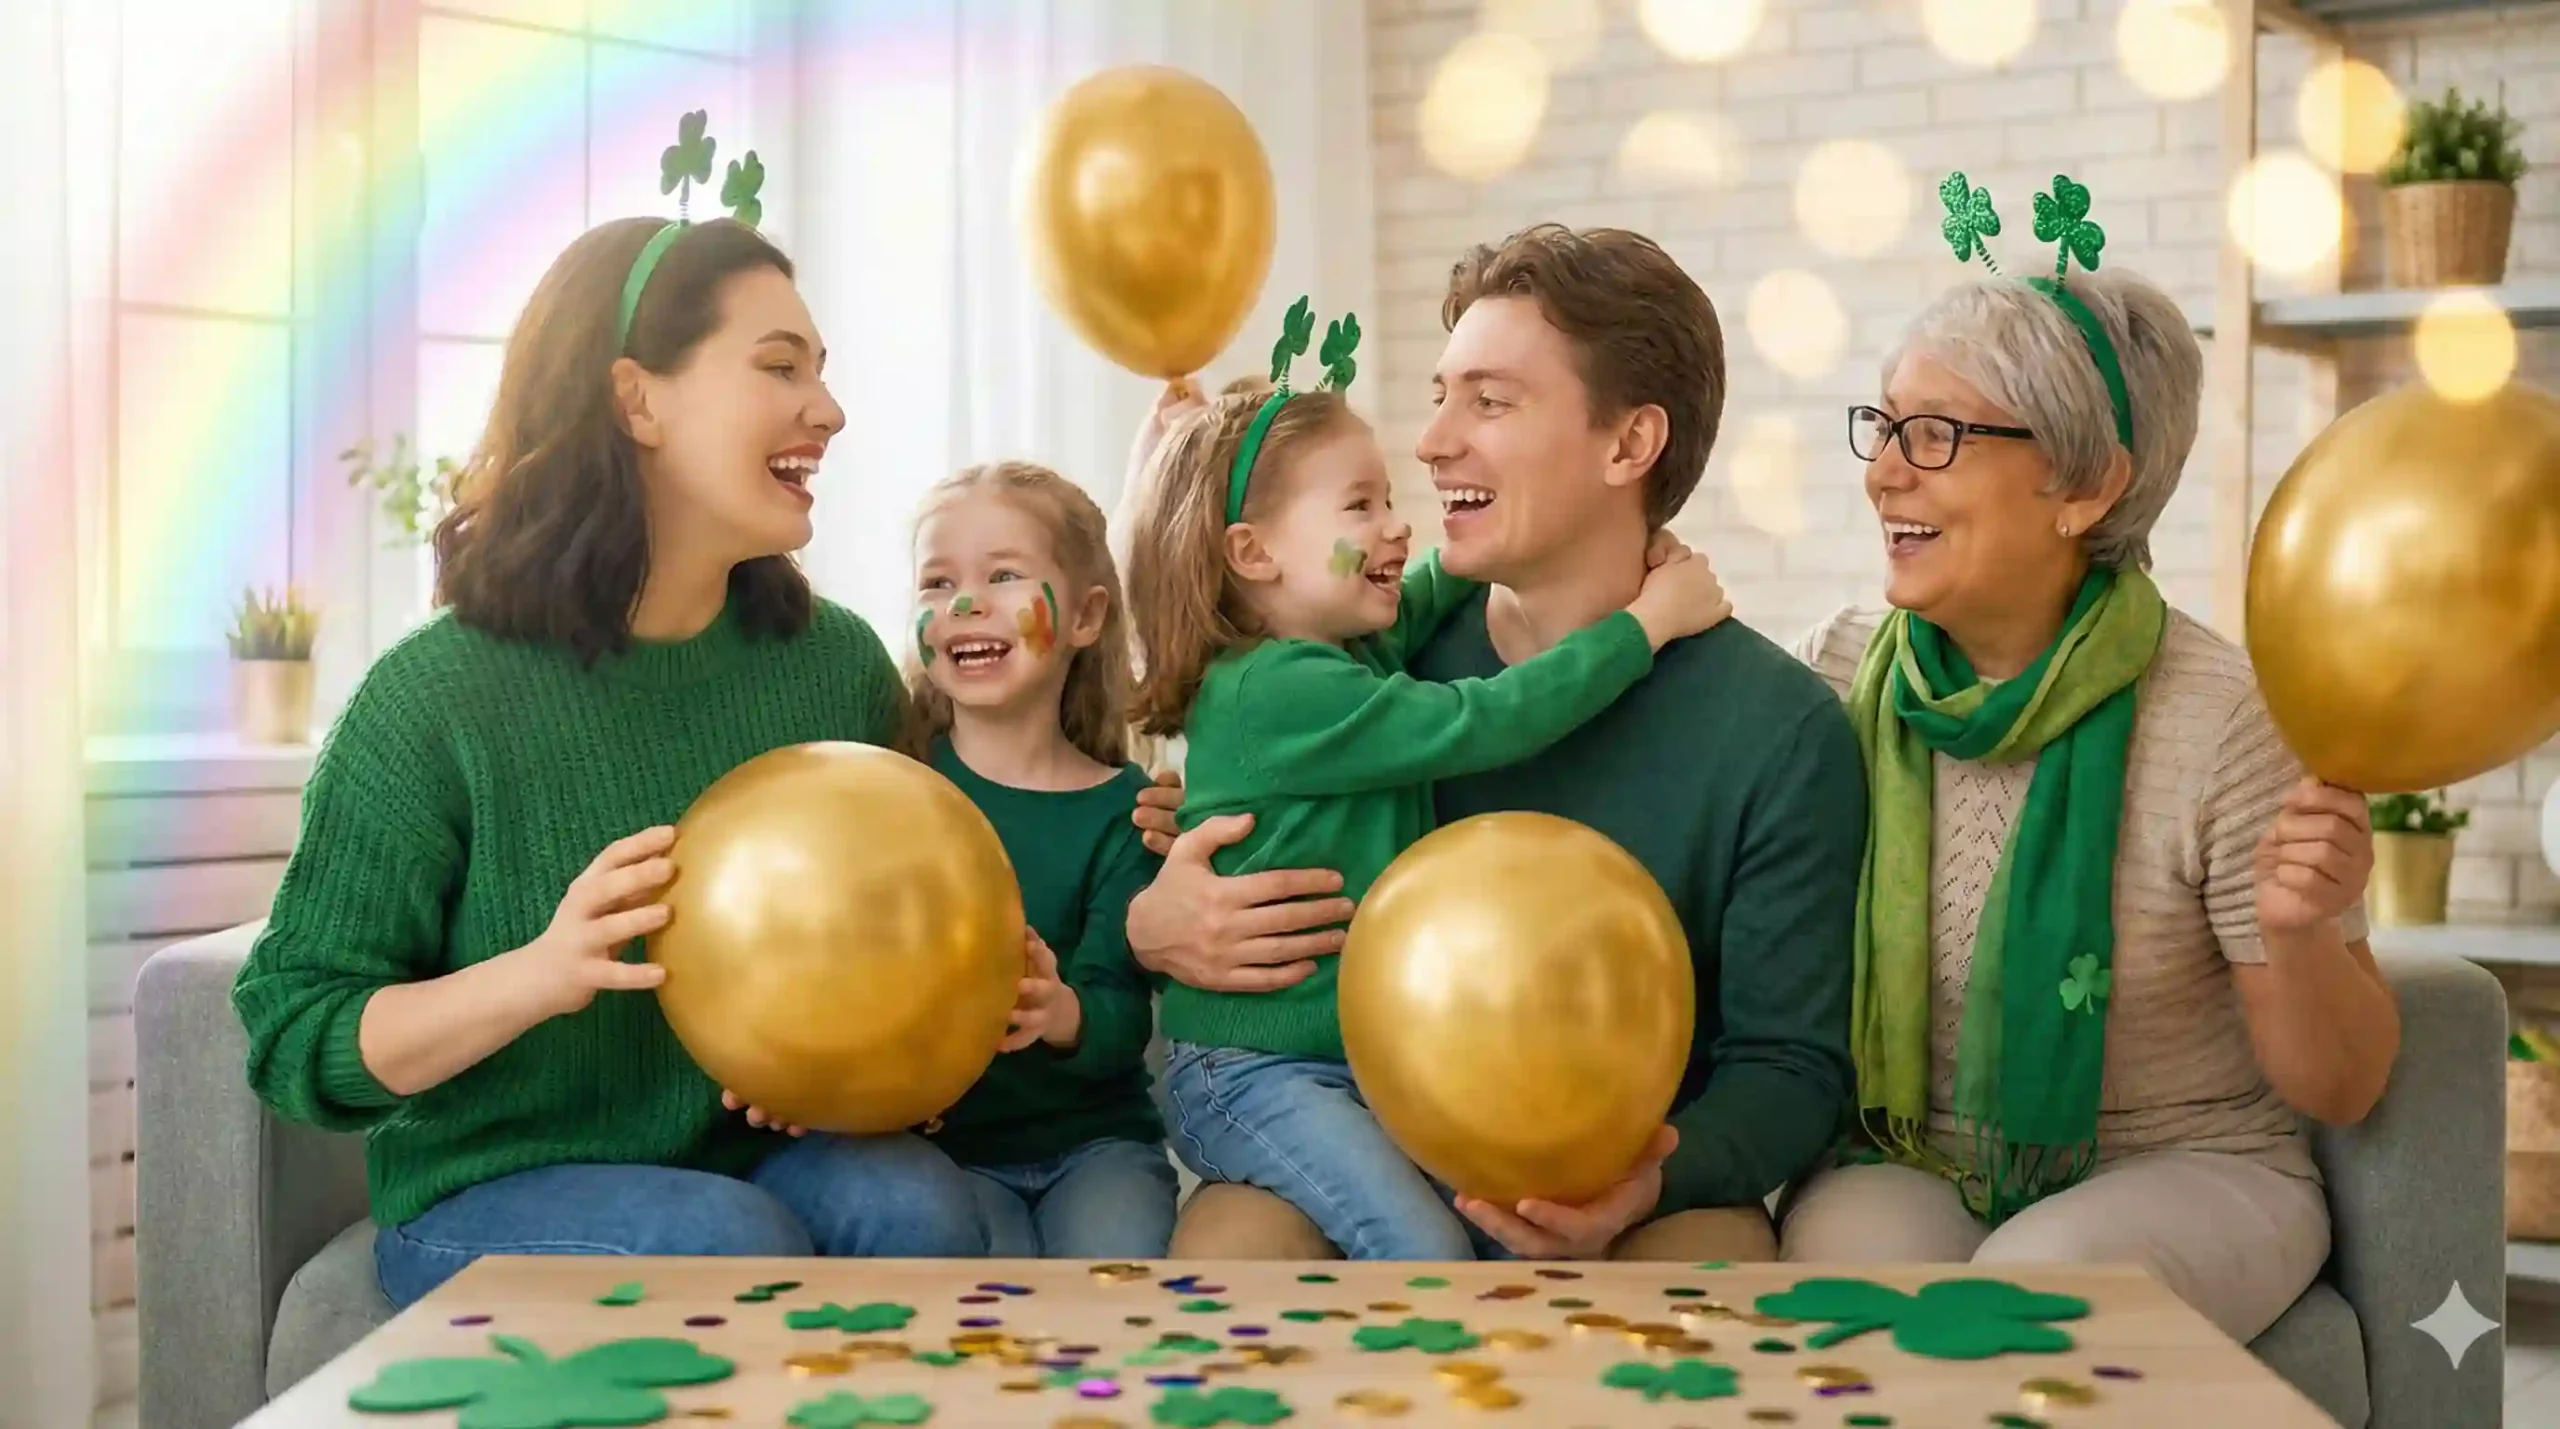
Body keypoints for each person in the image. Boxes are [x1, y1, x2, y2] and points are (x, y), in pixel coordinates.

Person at [231, 211, 990, 1309]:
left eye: (821, 373)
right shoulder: (433, 698)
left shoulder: (834, 668)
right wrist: (538, 975)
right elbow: (296, 1032)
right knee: (725, 1238)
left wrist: (840, 1062)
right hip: (491, 1191)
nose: (827, 410)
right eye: (779, 367)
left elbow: (893, 940)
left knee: (915, 1201)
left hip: (745, 1159)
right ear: (636, 398)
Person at [1123, 226, 1867, 1262]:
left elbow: (1789, 1070)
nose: (1428, 441)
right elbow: (1217, 781)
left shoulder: (1779, 728)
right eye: (1439, 394)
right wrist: (1157, 921)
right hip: (1378, 1121)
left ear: (1628, 445)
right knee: (1234, 1254)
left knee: (1703, 1274)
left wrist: (1652, 1174)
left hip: (1629, 1165)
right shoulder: (1370, 661)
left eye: (1488, 399)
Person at [1775, 259, 2396, 1346]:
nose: (1883, 474)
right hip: (1914, 1149)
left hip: (2191, 1161)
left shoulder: (2221, 719)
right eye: (1882, 425)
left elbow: (2342, 1085)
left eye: (1938, 436)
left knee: (2028, 1294)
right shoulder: (1834, 676)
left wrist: (2300, 936)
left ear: (2087, 488)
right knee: (1845, 1299)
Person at [897, 459, 1177, 1258]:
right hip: (952, 1154)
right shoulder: (898, 791)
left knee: (1117, 1286)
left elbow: (1125, 1013)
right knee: (993, 1311)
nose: (965, 602)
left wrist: (1066, 1014)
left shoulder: (1124, 810)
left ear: (1086, 616)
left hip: (1097, 1146)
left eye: (1004, 574)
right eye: (937, 581)